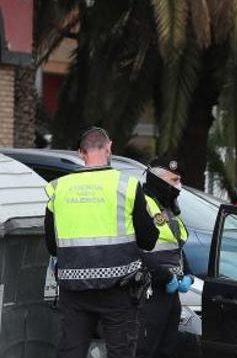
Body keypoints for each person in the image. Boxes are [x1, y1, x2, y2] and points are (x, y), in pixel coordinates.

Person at [44, 127, 159, 358]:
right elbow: (149, 240)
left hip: (74, 292)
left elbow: (51, 246)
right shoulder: (126, 185)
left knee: (71, 352)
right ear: (109, 148)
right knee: (120, 352)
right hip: (119, 291)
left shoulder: (58, 188)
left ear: (81, 153)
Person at [137, 160, 191, 358]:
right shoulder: (143, 203)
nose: (179, 185)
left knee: (167, 349)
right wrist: (164, 276)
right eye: (174, 180)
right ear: (159, 180)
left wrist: (189, 274)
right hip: (150, 289)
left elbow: (175, 246)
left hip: (171, 292)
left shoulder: (167, 207)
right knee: (145, 349)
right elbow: (136, 248)